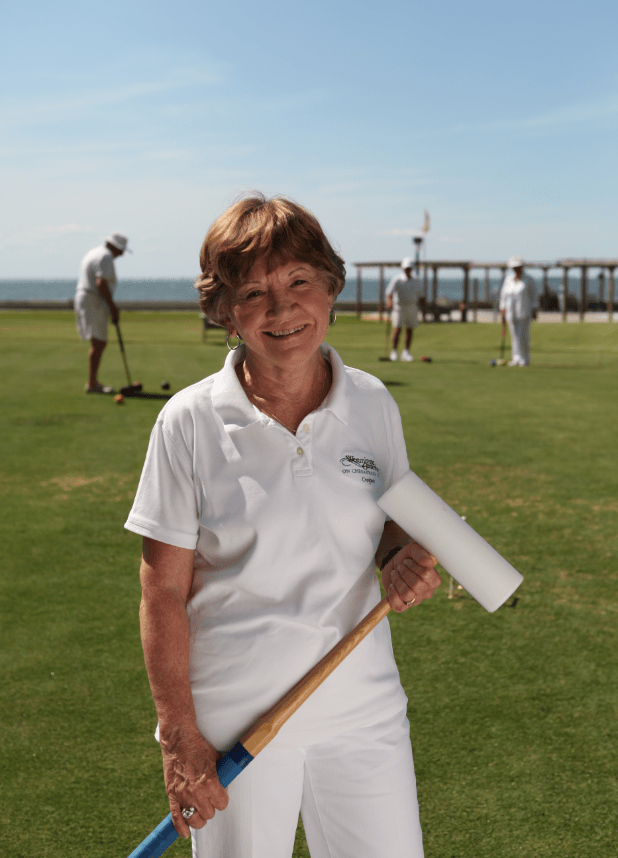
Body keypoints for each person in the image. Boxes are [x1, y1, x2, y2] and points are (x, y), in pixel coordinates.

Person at [125, 194, 440, 858]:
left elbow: (389, 529)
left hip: (365, 712)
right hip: (236, 726)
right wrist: (181, 742)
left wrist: (404, 556)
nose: (281, 308)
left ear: (329, 289)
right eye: (253, 292)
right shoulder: (187, 422)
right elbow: (161, 596)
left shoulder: (374, 404)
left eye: (299, 281)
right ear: (223, 311)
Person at [74, 232, 129, 392]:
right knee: (99, 342)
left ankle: (93, 382)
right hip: (93, 300)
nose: (123, 253)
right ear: (115, 247)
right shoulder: (105, 256)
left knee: (98, 342)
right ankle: (92, 384)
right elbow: (101, 283)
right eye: (122, 249)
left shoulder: (95, 252)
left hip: (88, 298)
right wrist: (112, 306)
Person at [499, 256, 539, 366]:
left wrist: (535, 309)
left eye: (518, 267)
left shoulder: (528, 280)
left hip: (524, 312)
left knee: (524, 336)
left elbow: (534, 295)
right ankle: (516, 358)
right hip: (511, 313)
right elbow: (503, 296)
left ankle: (525, 359)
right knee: (514, 336)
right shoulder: (508, 280)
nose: (516, 269)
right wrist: (502, 308)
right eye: (514, 267)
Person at [385, 258, 426, 361]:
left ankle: (406, 352)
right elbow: (389, 292)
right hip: (399, 307)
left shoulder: (417, 280)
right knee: (397, 329)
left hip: (412, 307)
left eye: (409, 268)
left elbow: (421, 296)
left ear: (411, 268)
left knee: (409, 329)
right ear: (403, 268)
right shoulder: (397, 279)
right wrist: (389, 302)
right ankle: (394, 352)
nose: (408, 270)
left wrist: (424, 308)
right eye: (406, 268)